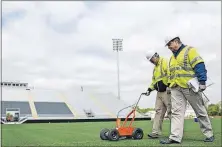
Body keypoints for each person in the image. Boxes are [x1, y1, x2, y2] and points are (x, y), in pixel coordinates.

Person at [160, 36, 214, 144]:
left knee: (199, 110)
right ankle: (175, 137)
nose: (169, 47)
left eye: (169, 44)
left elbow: (199, 65)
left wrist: (202, 81)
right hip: (176, 88)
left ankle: (209, 134)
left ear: (176, 41)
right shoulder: (172, 58)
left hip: (190, 87)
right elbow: (171, 73)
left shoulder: (190, 50)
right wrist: (169, 86)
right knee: (176, 113)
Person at [145, 52, 171, 139]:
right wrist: (149, 89)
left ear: (155, 56)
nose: (151, 62)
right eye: (150, 61)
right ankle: (156, 132)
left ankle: (176, 133)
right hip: (159, 93)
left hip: (167, 91)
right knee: (158, 112)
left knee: (171, 112)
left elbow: (170, 74)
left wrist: (169, 85)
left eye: (152, 59)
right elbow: (154, 81)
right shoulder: (155, 68)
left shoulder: (165, 61)